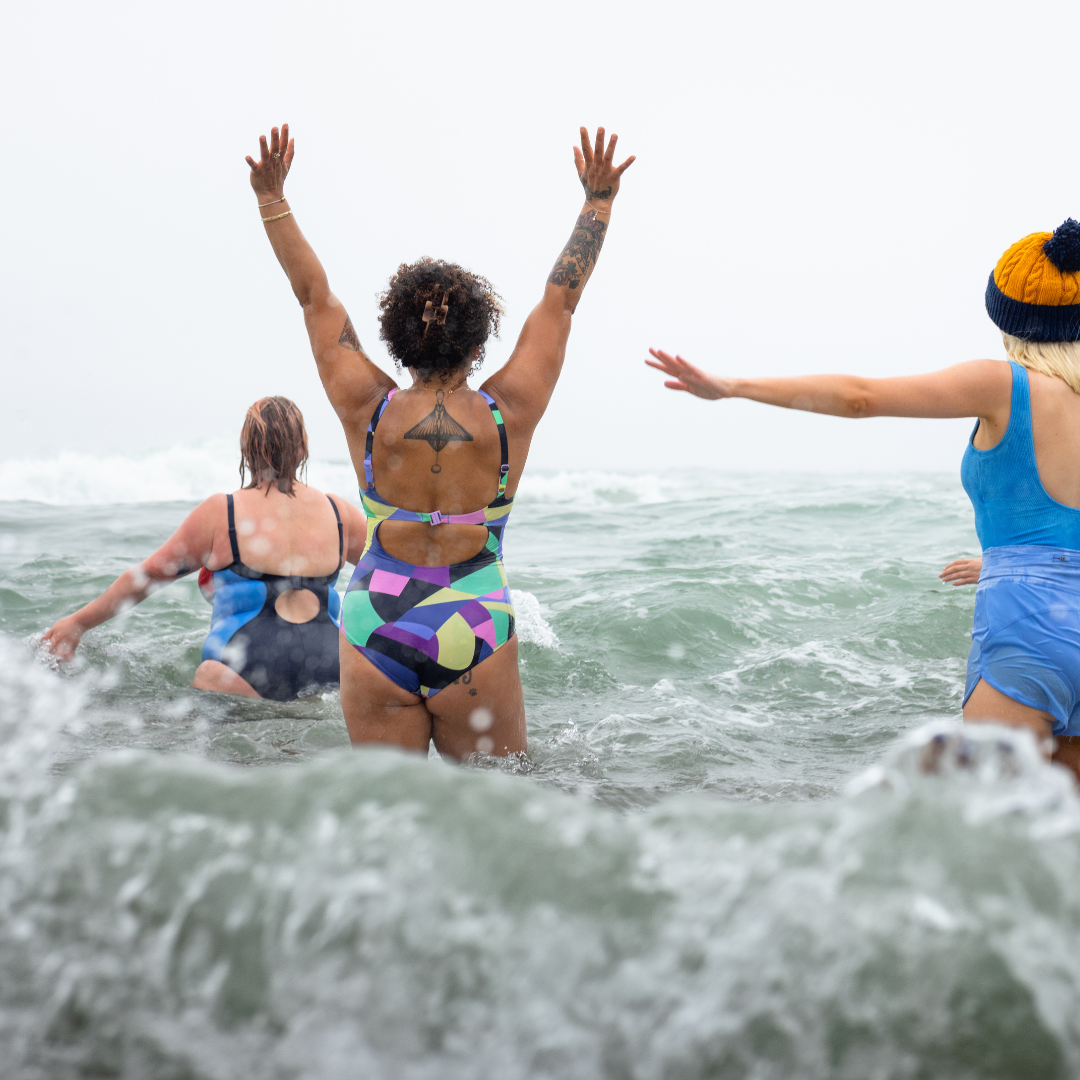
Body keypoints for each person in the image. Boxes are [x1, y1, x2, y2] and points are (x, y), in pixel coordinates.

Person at [245, 123, 634, 758]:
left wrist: (272, 200)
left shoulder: (366, 407)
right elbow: (561, 303)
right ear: (481, 340)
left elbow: (314, 298)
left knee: (389, 812)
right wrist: (598, 203)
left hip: (375, 618)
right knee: (494, 812)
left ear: (395, 336)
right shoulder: (510, 410)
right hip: (472, 617)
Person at [647, 219, 1080, 776]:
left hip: (1028, 632)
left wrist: (732, 388)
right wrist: (1010, 558)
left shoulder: (1003, 384)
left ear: (1009, 314)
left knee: (997, 828)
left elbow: (860, 399)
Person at [42, 396, 368, 700]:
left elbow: (150, 575)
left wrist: (78, 623)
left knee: (207, 681)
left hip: (247, 666)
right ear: (302, 448)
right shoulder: (339, 513)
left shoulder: (222, 512)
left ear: (248, 447)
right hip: (331, 664)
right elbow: (395, 570)